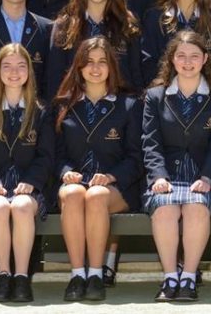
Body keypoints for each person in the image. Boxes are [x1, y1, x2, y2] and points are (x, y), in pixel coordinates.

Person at [142, 31, 211, 302]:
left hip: (207, 178)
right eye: (181, 56)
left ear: (205, 59)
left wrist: (207, 177)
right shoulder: (155, 97)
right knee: (165, 208)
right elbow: (150, 143)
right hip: (167, 177)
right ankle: (170, 277)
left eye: (194, 56)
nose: (187, 62)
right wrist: (158, 176)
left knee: (196, 207)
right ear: (172, 60)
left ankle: (189, 278)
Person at [53, 37, 143, 302]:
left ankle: (95, 274)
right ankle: (77, 274)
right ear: (78, 67)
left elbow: (137, 157)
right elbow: (54, 155)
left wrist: (112, 176)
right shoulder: (62, 106)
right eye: (89, 62)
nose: (95, 68)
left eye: (102, 62)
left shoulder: (129, 105)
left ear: (111, 67)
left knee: (96, 196)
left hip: (118, 189)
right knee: (72, 194)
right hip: (75, 187)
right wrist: (65, 172)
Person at [0, 44, 54, 303]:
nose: (14, 72)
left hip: (28, 186)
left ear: (29, 71)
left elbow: (46, 156)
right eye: (7, 66)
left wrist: (31, 181)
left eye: (21, 66)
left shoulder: (41, 111)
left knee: (20, 207)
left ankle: (21, 278)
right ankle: (3, 275)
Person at [45, 0, 144, 99]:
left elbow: (135, 77)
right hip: (74, 111)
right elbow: (54, 80)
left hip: (117, 112)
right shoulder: (64, 26)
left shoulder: (127, 26)